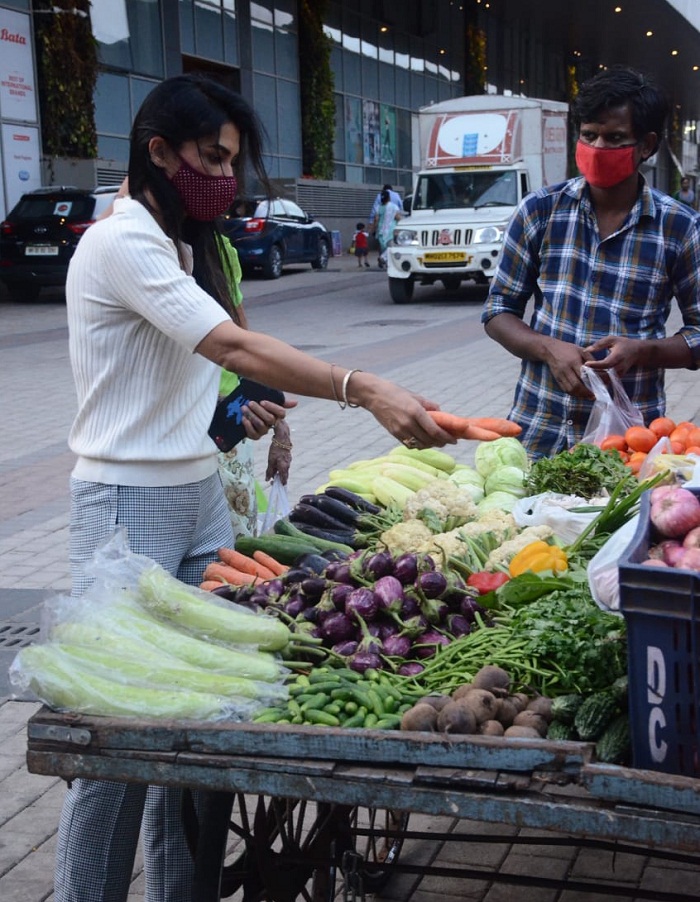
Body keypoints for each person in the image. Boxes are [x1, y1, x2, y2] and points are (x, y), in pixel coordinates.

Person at [56, 73, 453, 902]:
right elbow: (233, 346)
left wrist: (257, 418)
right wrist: (364, 386)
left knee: (195, 733)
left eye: (234, 162)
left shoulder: (179, 243)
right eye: (212, 158)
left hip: (198, 492)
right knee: (121, 744)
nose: (226, 179)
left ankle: (182, 892)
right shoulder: (122, 242)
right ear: (158, 152)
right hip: (128, 504)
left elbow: (215, 369)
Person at [481, 65, 700, 460]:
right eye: (588, 135)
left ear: (646, 145)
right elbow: (498, 311)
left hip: (631, 444)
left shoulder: (680, 228)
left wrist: (643, 351)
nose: (598, 147)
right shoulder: (539, 211)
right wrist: (548, 348)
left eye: (615, 138)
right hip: (539, 431)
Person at [216, 234, 292, 537]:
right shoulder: (145, 249)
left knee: (241, 544)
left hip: (230, 429)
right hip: (173, 447)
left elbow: (244, 347)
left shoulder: (221, 248)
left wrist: (281, 428)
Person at [372, 188, 402, 270]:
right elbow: (398, 217)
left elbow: (376, 219)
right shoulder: (394, 207)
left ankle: (385, 261)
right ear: (389, 198)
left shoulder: (379, 207)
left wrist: (374, 229)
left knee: (383, 248)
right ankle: (383, 259)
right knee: (392, 247)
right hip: (391, 231)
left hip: (381, 231)